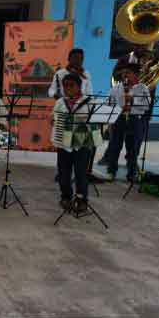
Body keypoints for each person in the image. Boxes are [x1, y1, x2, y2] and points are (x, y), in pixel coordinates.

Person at [52, 73, 100, 213]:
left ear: (79, 87)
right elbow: (53, 117)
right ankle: (65, 197)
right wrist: (53, 120)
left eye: (71, 85)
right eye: (65, 86)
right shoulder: (60, 102)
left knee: (80, 173)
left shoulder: (90, 102)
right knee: (63, 173)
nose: (67, 89)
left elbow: (96, 123)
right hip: (63, 141)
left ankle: (81, 199)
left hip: (82, 141)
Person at [106, 66, 150, 182]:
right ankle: (111, 171)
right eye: (124, 73)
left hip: (134, 119)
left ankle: (131, 173)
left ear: (136, 75)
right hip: (119, 119)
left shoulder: (142, 88)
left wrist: (133, 100)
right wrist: (112, 120)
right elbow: (109, 105)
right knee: (115, 146)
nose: (125, 75)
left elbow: (146, 106)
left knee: (132, 148)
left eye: (128, 73)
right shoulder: (116, 88)